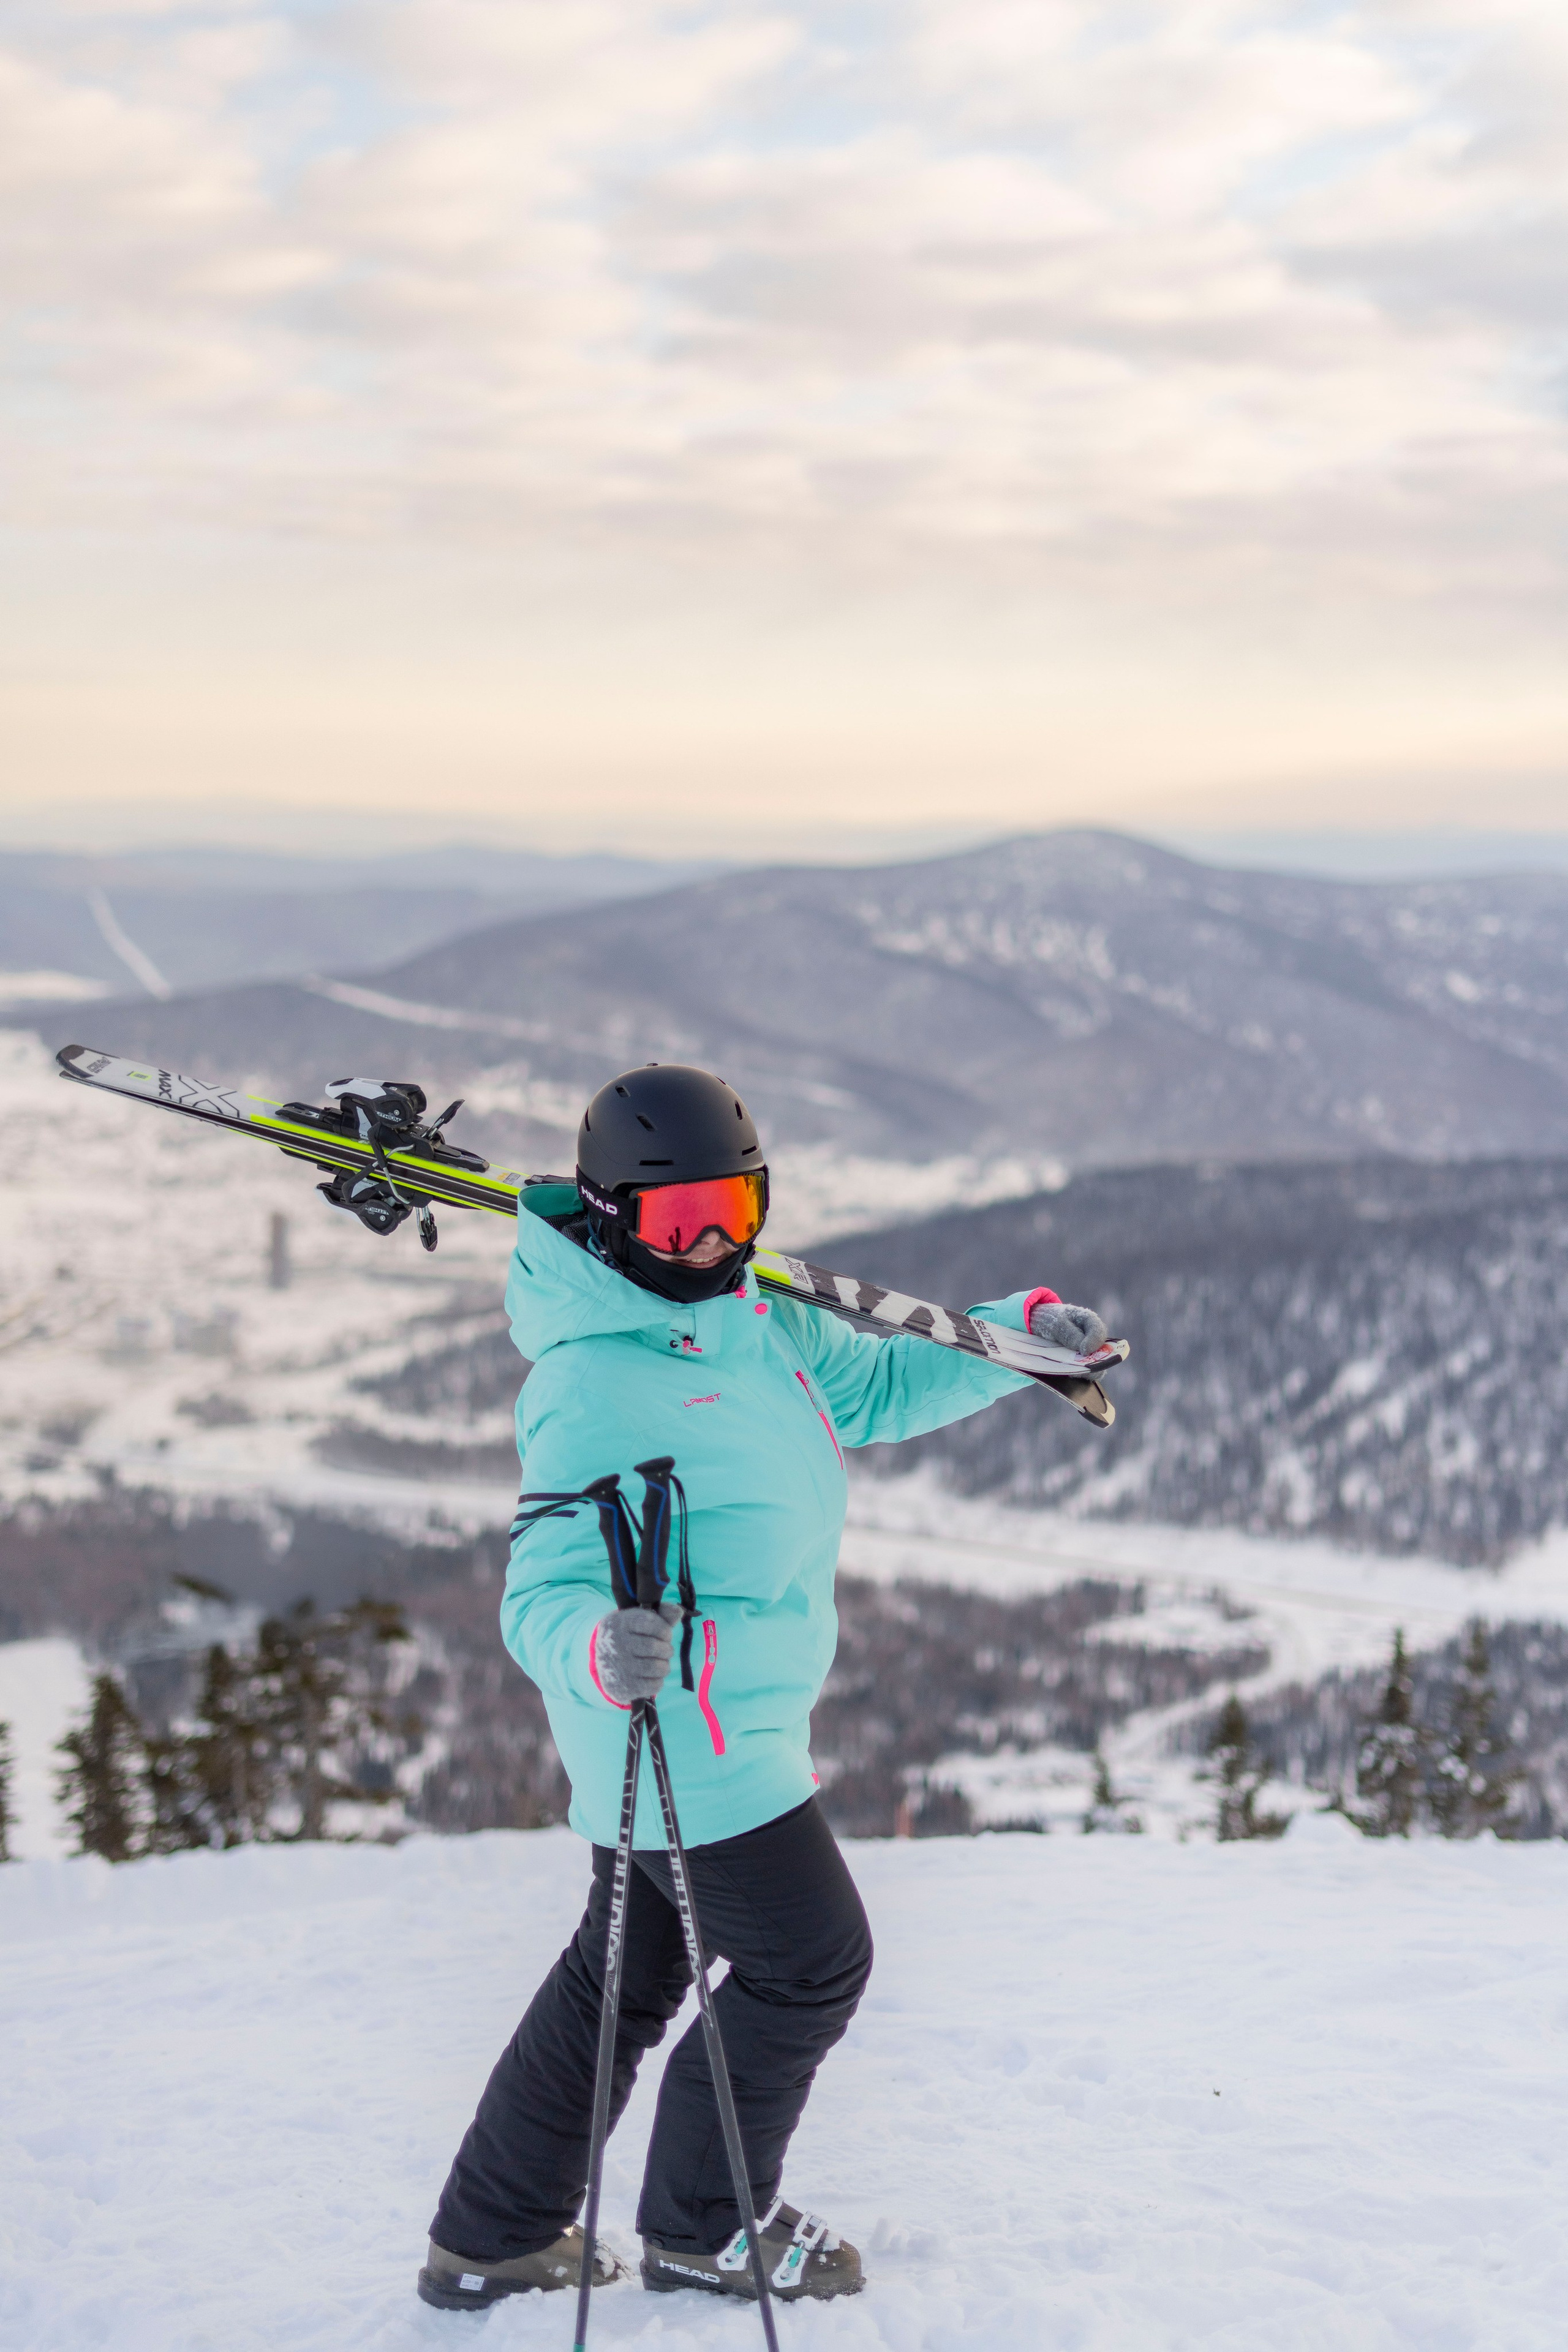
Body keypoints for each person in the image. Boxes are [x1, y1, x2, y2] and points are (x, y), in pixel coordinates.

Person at [419, 1065, 1106, 2313]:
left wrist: (1014, 1342)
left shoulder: (757, 1314)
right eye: (680, 1223)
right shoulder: (586, 1379)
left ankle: (495, 2232)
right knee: (810, 1963)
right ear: (612, 1216)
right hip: (685, 1732)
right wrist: (591, 1646)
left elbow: (879, 1386)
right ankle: (701, 2226)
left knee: (620, 1976)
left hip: (718, 1717)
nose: (714, 1244)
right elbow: (540, 1586)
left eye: (735, 1209)